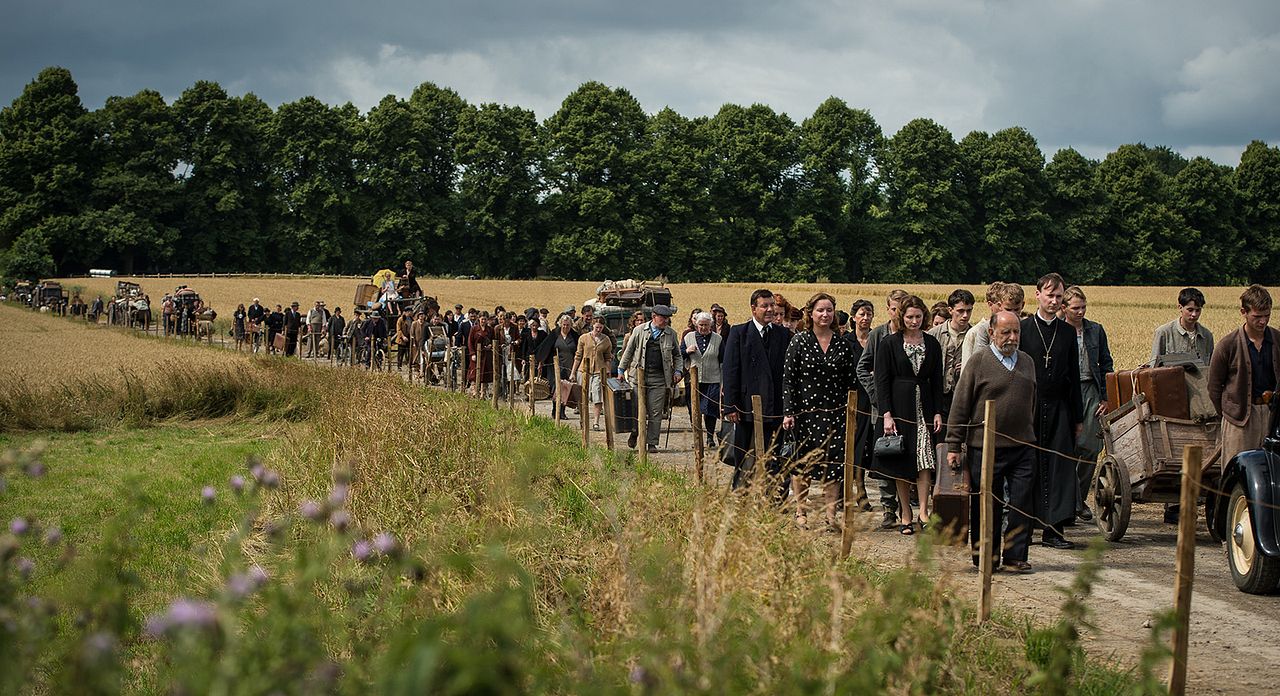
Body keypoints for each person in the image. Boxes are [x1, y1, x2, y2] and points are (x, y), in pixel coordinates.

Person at [945, 311, 1037, 573]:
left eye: (1016, 332)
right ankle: (986, 555)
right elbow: (960, 404)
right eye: (1006, 332)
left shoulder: (1027, 362)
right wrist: (954, 445)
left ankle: (1015, 555)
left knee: (1021, 502)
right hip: (984, 446)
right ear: (991, 333)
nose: (1012, 337)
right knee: (987, 504)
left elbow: (1032, 400)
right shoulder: (978, 362)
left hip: (1022, 445)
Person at [782, 293, 859, 529]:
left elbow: (851, 382)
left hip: (835, 413)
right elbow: (788, 379)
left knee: (833, 466)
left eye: (829, 310)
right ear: (811, 313)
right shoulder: (799, 341)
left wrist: (851, 413)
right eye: (820, 310)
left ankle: (830, 515)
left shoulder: (843, 344)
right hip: (805, 413)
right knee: (802, 464)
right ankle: (801, 512)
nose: (825, 314)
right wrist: (789, 411)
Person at [1020, 273, 1084, 549]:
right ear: (1038, 295)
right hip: (1029, 406)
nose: (1055, 301)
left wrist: (1077, 417)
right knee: (1027, 465)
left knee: (1059, 467)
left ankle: (1054, 530)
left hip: (1059, 407)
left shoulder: (1068, 332)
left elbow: (1074, 376)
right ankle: (1024, 528)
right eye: (1050, 296)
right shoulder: (1023, 328)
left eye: (1059, 297)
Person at [871, 295, 944, 535]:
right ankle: (905, 513)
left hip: (924, 407)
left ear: (924, 316)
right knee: (901, 462)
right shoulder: (889, 343)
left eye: (918, 316)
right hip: (899, 408)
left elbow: (937, 381)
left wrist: (937, 412)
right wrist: (887, 414)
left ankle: (924, 511)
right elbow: (882, 381)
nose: (914, 321)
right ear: (901, 317)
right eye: (910, 316)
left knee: (925, 461)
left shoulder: (932, 344)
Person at [721, 289, 793, 490]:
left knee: (775, 456)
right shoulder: (739, 333)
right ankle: (741, 496)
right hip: (745, 408)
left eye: (772, 305)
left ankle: (773, 499)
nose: (770, 310)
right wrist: (730, 407)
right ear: (754, 308)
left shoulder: (782, 334)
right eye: (765, 306)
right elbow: (730, 371)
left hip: (775, 406)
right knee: (744, 456)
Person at [1209, 284, 1279, 467]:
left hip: (1273, 415)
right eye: (1257, 316)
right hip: (1239, 419)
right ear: (1244, 312)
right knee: (1236, 470)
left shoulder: (1277, 340)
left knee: (1271, 471)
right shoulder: (1228, 344)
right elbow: (1214, 387)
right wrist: (1229, 412)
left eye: (1267, 315)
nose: (1263, 321)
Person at [856, 288, 909, 528]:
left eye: (902, 308)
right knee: (886, 454)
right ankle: (889, 508)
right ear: (889, 309)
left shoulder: (914, 336)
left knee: (906, 456)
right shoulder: (878, 335)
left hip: (908, 408)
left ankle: (908, 507)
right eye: (894, 308)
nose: (898, 313)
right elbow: (862, 368)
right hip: (882, 408)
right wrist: (878, 396)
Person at [1060, 286, 1112, 523]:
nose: (1080, 312)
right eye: (1075, 308)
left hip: (1090, 388)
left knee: (1090, 446)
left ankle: (1078, 498)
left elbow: (1105, 362)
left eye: (1083, 307)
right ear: (1064, 308)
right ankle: (1066, 502)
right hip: (1065, 390)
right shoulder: (1058, 330)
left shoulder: (1095, 330)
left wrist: (1106, 396)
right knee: (1065, 447)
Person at [618, 305, 682, 452]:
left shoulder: (671, 334)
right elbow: (628, 351)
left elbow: (677, 355)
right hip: (638, 377)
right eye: (663, 318)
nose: (666, 320)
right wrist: (621, 370)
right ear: (654, 317)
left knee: (655, 411)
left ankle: (652, 442)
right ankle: (635, 432)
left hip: (659, 378)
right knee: (636, 409)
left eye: (667, 318)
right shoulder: (639, 331)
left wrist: (678, 370)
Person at [844, 299, 875, 511]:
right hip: (851, 399)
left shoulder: (877, 338)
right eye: (862, 314)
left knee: (867, 446)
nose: (865, 318)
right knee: (850, 445)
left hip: (872, 399)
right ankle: (850, 491)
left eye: (869, 314)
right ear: (854, 317)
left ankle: (862, 489)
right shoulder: (845, 340)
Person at [928, 288, 975, 426]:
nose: (965, 315)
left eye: (969, 310)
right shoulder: (934, 334)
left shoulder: (975, 335)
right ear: (950, 310)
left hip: (963, 396)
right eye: (960, 311)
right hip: (937, 395)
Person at [683, 311, 724, 449]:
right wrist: (687, 350)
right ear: (696, 325)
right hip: (693, 381)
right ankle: (697, 436)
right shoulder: (688, 337)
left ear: (711, 325)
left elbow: (723, 360)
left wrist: (723, 382)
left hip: (712, 380)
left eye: (706, 325)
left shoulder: (718, 339)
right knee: (694, 410)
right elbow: (679, 354)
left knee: (710, 410)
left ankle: (710, 437)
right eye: (701, 325)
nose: (703, 328)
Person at [962, 282, 1025, 369]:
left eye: (1016, 310)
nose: (1012, 314)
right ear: (1000, 306)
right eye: (1008, 310)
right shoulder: (983, 329)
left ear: (1023, 305)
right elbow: (980, 360)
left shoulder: (1026, 326)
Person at [1151, 287, 1215, 366]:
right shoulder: (1164, 333)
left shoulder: (1207, 335)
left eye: (1198, 310)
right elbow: (1153, 367)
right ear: (1180, 307)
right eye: (1190, 310)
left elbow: (1211, 368)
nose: (1194, 314)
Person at [571, 316, 613, 430]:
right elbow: (578, 356)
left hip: (598, 371)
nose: (598, 330)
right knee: (582, 396)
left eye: (600, 328)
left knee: (597, 396)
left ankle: (596, 422)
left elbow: (608, 357)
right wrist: (573, 372)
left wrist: (608, 371)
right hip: (583, 371)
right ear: (592, 326)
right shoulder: (583, 338)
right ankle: (583, 419)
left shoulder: (606, 340)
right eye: (596, 327)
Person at [467, 313, 496, 396]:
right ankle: (474, 391)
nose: (483, 321)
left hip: (486, 355)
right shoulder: (474, 329)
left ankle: (483, 392)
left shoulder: (490, 329)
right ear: (479, 319)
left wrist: (490, 345)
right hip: (476, 354)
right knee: (474, 373)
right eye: (482, 319)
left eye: (485, 319)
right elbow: (470, 342)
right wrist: (472, 353)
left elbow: (493, 340)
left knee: (485, 375)